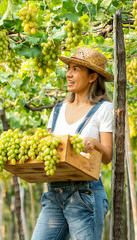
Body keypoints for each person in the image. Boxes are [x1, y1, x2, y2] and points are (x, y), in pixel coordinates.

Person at [31, 47, 114, 240]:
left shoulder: (103, 109)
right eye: (69, 67)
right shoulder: (58, 110)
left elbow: (108, 156)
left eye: (76, 69)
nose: (68, 73)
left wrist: (95, 144)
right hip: (54, 193)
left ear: (92, 77)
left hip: (85, 194)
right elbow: (49, 150)